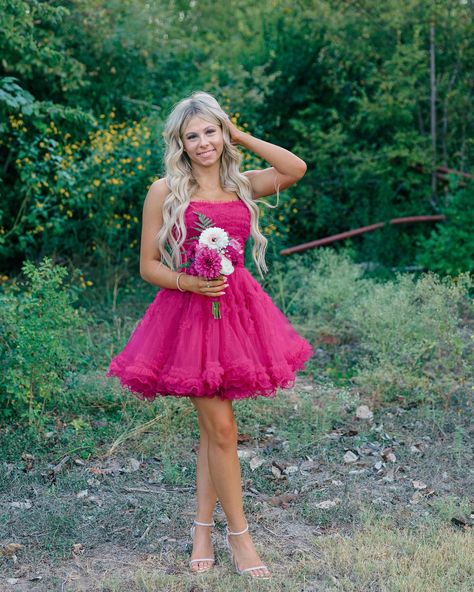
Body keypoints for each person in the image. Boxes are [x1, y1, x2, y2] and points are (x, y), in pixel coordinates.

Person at [106, 91, 314, 579]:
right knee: (222, 430)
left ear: (222, 133)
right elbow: (147, 267)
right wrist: (191, 281)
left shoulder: (241, 185)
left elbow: (295, 167)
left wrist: (238, 132)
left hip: (239, 314)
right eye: (192, 135)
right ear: (179, 142)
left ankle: (202, 529)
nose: (203, 143)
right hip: (189, 315)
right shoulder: (165, 191)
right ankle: (241, 539)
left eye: (211, 131)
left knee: (212, 432)